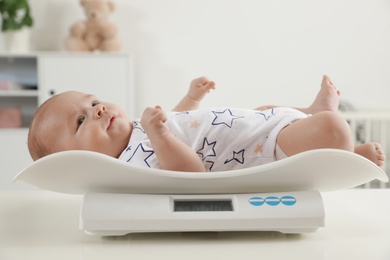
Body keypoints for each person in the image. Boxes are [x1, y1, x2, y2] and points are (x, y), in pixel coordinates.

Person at [27, 75, 385, 172]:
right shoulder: (131, 163)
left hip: (259, 123)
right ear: (75, 159)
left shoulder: (140, 128)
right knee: (334, 129)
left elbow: (180, 123)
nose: (99, 109)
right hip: (268, 147)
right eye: (81, 119)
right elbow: (188, 171)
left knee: (265, 107)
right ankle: (348, 152)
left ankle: (309, 111)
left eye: (92, 101)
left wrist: (192, 99)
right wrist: (159, 133)